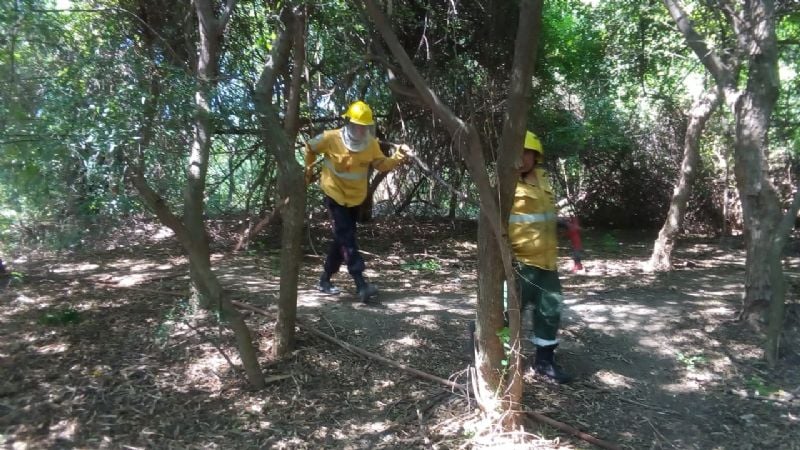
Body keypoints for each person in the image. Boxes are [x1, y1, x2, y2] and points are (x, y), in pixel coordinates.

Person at [304, 100, 409, 306]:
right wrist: (308, 171)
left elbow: (381, 164)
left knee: (342, 239)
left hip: (355, 199)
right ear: (349, 123)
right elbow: (310, 146)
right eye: (357, 126)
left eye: (365, 127)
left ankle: (325, 279)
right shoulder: (330, 138)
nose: (361, 130)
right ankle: (361, 283)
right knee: (346, 236)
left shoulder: (371, 144)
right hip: (334, 194)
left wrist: (399, 156)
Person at [507, 131, 573, 383]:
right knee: (506, 312)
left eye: (526, 153)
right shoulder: (505, 183)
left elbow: (538, 217)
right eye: (517, 152)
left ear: (536, 156)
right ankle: (496, 358)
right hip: (519, 264)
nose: (521, 158)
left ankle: (544, 362)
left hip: (547, 262)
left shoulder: (543, 179)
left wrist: (560, 223)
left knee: (550, 311)